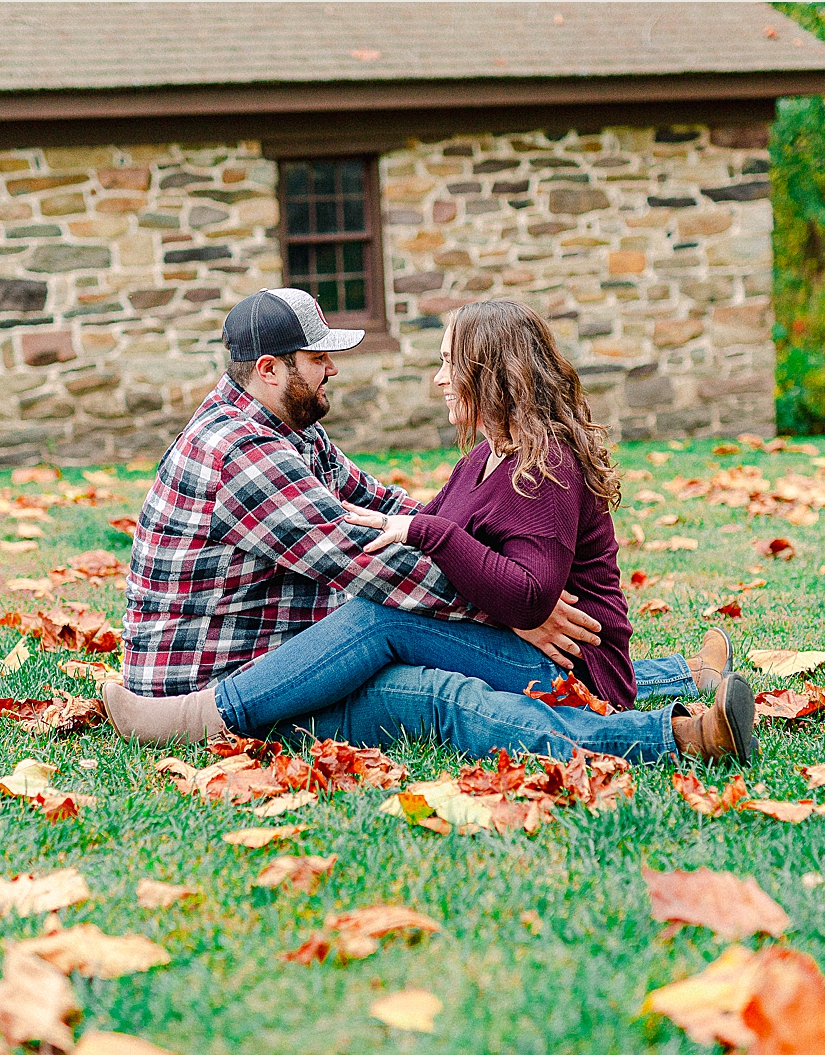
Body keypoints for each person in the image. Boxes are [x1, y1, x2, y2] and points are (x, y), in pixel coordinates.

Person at [104, 293, 755, 764]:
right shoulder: (240, 453)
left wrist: (482, 575)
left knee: (422, 660)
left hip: (298, 661)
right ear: (269, 369)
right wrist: (509, 606)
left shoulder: (288, 433)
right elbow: (369, 560)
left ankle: (677, 684)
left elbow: (390, 510)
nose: (332, 367)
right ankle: (670, 733)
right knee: (415, 663)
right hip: (239, 678)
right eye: (316, 357)